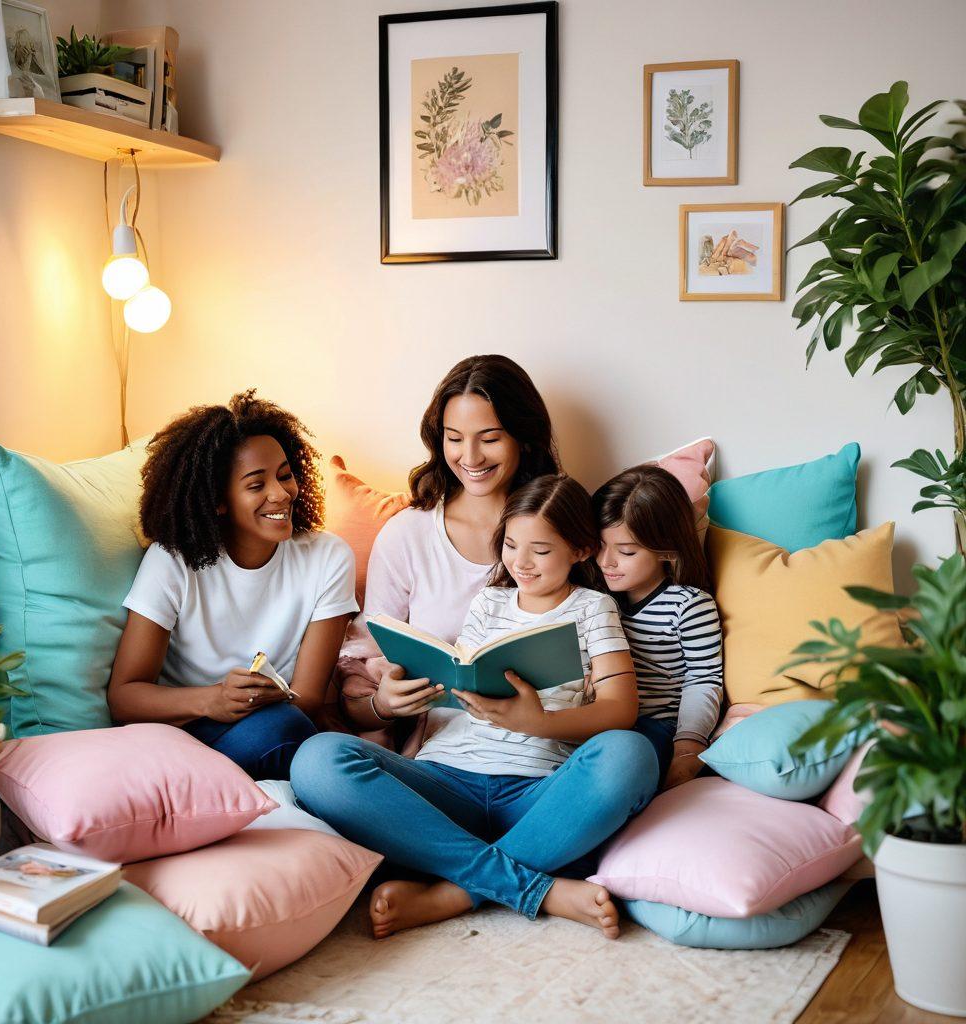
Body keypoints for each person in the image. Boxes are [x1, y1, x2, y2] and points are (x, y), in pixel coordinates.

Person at [292, 474, 659, 940]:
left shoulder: (593, 609)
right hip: (446, 781)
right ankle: (534, 887)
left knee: (632, 753)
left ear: (581, 550)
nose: (521, 562)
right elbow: (464, 673)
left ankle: (452, 894)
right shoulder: (489, 600)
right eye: (510, 544)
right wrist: (418, 689)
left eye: (541, 550)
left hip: (538, 797)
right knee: (317, 759)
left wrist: (540, 722)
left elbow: (620, 709)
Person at [107, 390, 359, 780]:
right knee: (297, 739)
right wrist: (213, 700)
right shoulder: (173, 559)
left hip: (276, 724)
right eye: (256, 485)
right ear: (219, 500)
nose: (280, 494)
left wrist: (267, 696)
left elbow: (307, 696)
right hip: (185, 727)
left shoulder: (328, 558)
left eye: (285, 475)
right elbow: (125, 696)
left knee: (296, 732)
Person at [336, 354, 561, 747]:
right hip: (442, 755)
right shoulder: (408, 535)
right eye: (454, 438)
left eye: (490, 439)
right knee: (320, 759)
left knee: (628, 753)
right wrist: (384, 703)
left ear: (523, 438)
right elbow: (356, 692)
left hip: (545, 749)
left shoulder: (562, 527)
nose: (470, 458)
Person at [592, 464, 723, 790]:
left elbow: (704, 679)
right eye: (599, 545)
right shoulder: (593, 600)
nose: (606, 561)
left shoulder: (689, 605)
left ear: (666, 549)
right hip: (594, 720)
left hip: (654, 727)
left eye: (626, 551)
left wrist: (688, 747)